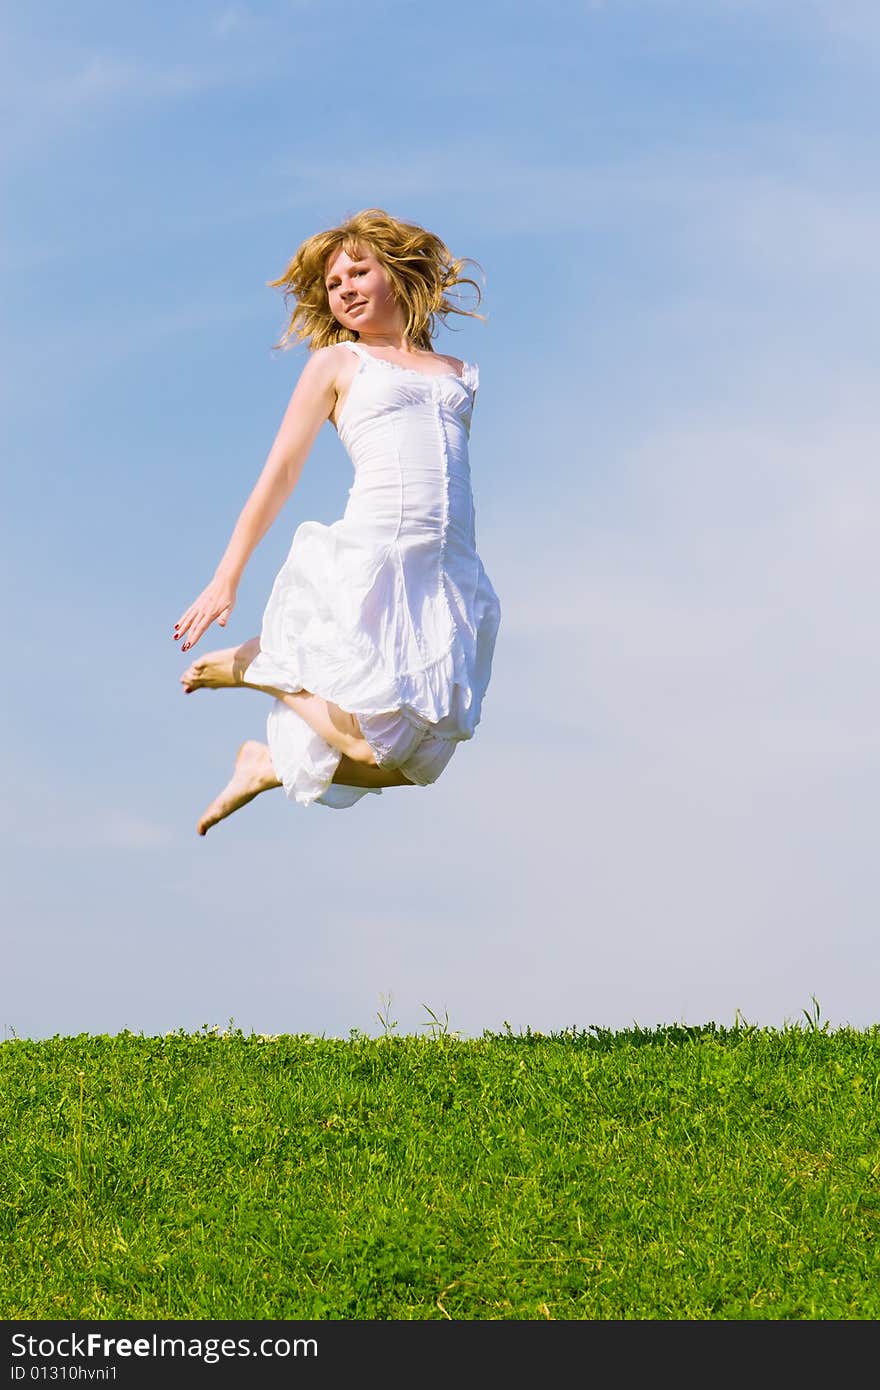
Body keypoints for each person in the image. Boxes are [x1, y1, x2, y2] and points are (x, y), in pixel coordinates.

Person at [173, 208, 501, 835]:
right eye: (332, 283)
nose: (345, 288)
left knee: (419, 760)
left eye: (358, 270)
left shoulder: (459, 375)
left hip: (446, 567)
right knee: (360, 740)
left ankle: (267, 765)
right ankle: (259, 666)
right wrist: (226, 576)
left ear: (396, 273)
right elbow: (282, 473)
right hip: (377, 547)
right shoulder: (338, 363)